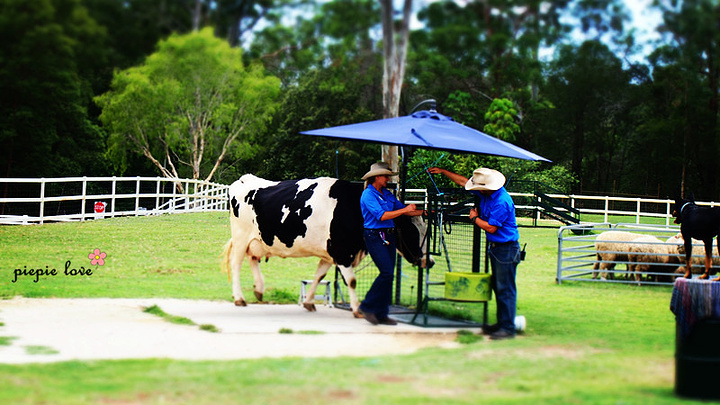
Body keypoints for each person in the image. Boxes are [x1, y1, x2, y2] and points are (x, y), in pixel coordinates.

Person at [428, 166, 521, 340]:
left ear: (486, 188)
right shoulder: (486, 194)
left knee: (505, 289)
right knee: (500, 287)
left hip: (506, 250)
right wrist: (444, 171)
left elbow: (491, 228)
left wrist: (474, 218)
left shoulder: (501, 201)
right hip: (498, 249)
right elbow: (464, 182)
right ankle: (502, 324)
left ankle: (507, 328)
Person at [359, 162, 424, 325]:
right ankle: (367, 306)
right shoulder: (368, 195)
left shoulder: (387, 194)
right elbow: (382, 216)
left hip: (389, 235)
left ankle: (381, 313)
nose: (388, 179)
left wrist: (424, 212)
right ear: (377, 177)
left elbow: (402, 209)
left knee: (389, 274)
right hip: (374, 235)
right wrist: (405, 210)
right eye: (385, 176)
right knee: (386, 272)